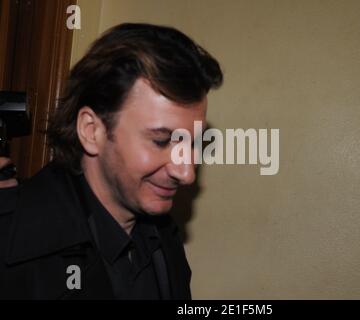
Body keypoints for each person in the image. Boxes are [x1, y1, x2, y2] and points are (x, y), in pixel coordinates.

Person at [0, 23, 223, 299]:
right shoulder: (10, 242)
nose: (186, 173)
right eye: (161, 141)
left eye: (193, 144)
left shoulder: (163, 240)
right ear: (92, 131)